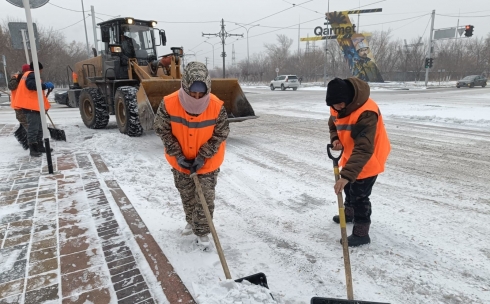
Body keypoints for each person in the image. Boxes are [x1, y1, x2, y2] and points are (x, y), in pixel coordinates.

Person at [154, 62, 230, 247]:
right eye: (193, 93)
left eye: (201, 93)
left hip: (207, 162)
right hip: (180, 161)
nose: (197, 97)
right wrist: (177, 154)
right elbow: (162, 129)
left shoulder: (216, 106)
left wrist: (203, 156)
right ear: (185, 86)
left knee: (205, 198)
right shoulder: (169, 103)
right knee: (187, 195)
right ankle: (191, 220)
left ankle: (202, 232)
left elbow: (221, 133)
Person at [326, 77, 390, 247]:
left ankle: (362, 233)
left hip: (369, 157)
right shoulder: (336, 106)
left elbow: (364, 148)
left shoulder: (366, 112)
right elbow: (333, 123)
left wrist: (346, 175)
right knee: (348, 188)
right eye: (334, 105)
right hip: (350, 155)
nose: (337, 108)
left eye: (340, 104)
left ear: (349, 98)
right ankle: (349, 214)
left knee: (360, 195)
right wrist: (335, 139)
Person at [15, 61, 54, 157]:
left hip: (35, 106)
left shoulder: (28, 74)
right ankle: (33, 149)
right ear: (38, 69)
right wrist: (45, 86)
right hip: (30, 107)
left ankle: (40, 146)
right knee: (33, 128)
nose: (41, 72)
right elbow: (31, 86)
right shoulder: (31, 75)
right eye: (41, 70)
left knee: (40, 127)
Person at [8, 64, 31, 148]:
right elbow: (11, 86)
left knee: (27, 123)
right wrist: (18, 80)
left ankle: (29, 139)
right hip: (19, 105)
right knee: (26, 123)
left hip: (27, 105)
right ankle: (31, 142)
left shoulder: (30, 77)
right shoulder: (16, 77)